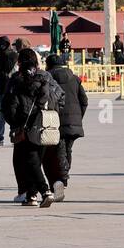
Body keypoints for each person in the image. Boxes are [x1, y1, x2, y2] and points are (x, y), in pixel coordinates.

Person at [1, 49, 64, 208]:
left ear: (19, 62)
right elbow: (60, 97)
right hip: (44, 125)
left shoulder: (16, 80)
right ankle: (31, 196)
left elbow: (9, 106)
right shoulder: (46, 77)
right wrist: (52, 114)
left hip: (25, 126)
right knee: (35, 160)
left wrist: (14, 123)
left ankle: (45, 192)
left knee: (30, 161)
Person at [43, 52, 87, 201]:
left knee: (60, 149)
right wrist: (78, 117)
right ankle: (64, 176)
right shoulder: (74, 78)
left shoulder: (48, 78)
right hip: (74, 121)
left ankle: (62, 179)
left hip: (57, 119)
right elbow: (84, 100)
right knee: (67, 148)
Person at [0, 35, 18, 145]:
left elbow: (7, 69)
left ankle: (12, 136)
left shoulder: (13, 56)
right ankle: (0, 137)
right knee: (1, 114)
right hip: (3, 89)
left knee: (10, 114)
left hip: (10, 89)